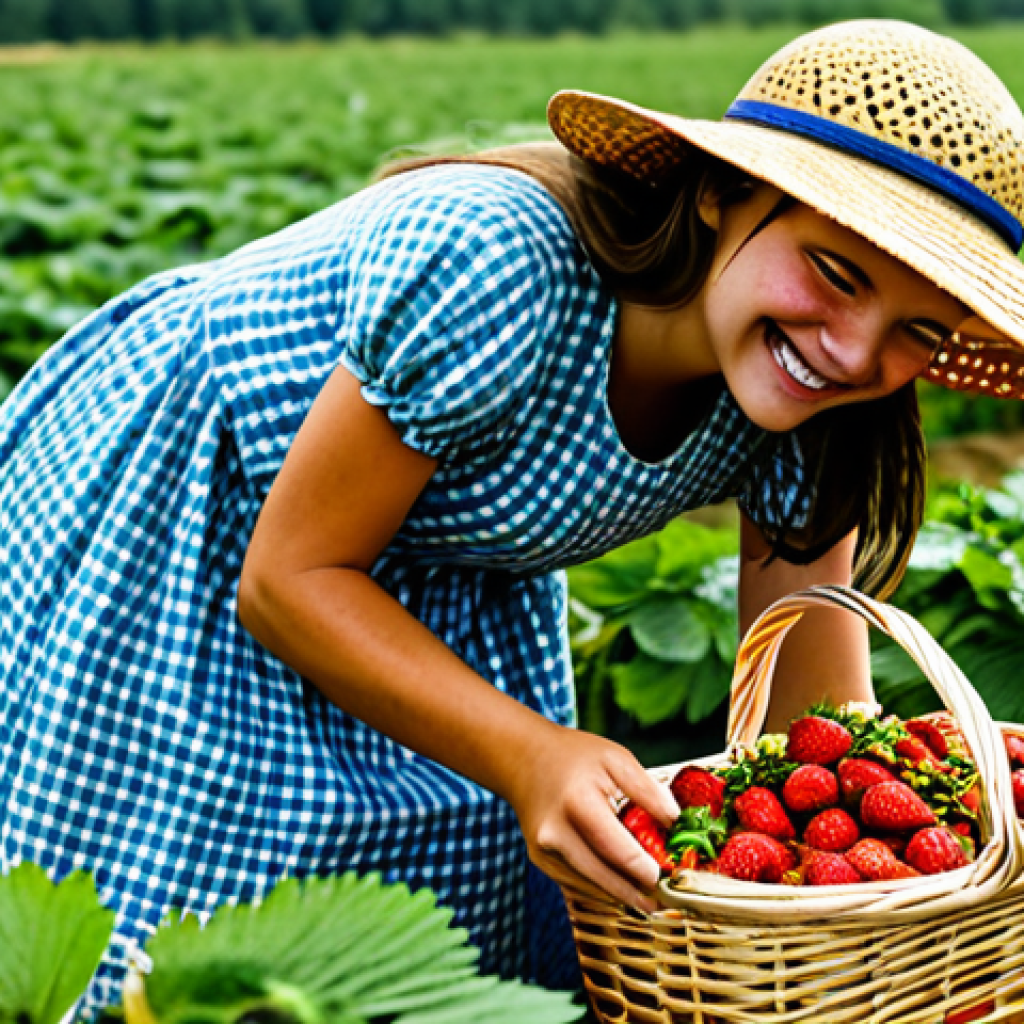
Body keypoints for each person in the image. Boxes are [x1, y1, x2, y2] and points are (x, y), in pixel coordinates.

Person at [1, 16, 1023, 1012]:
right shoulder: (502, 266)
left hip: (448, 553)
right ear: (721, 192)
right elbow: (289, 579)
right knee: (201, 902)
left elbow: (812, 710)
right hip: (203, 506)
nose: (850, 351)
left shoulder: (822, 408)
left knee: (461, 891)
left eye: (915, 330)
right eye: (833, 274)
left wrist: (909, 852)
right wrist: (531, 751)